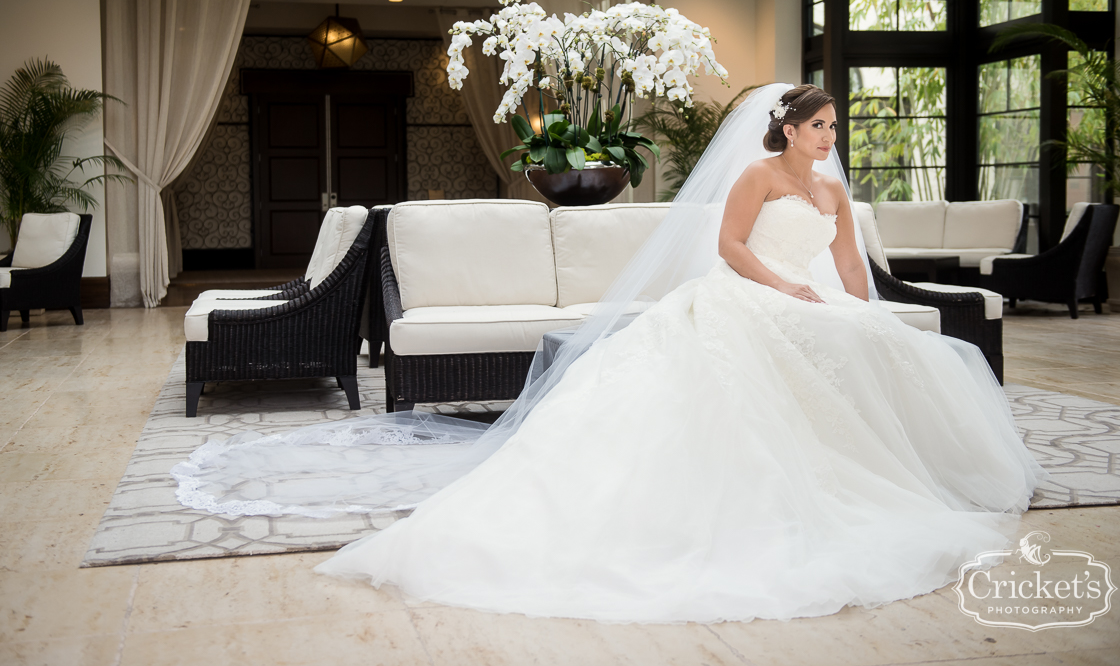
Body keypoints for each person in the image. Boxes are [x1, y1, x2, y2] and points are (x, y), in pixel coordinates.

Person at [174, 84, 1043, 624]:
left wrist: (862, 302)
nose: (829, 137)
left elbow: (851, 260)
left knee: (879, 342)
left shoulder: (833, 190)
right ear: (786, 130)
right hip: (756, 290)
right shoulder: (758, 178)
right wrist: (786, 289)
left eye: (832, 127)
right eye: (819, 126)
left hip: (817, 295)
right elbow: (734, 249)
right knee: (767, 351)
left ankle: (878, 457)